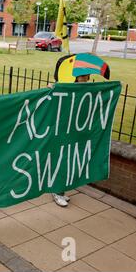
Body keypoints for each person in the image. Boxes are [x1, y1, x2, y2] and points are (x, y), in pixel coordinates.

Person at [49, 53, 110, 207]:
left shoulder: (83, 90)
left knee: (69, 161)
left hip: (75, 132)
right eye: (85, 76)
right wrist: (52, 89)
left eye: (88, 76)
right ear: (74, 76)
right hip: (61, 132)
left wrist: (112, 89)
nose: (88, 79)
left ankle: (59, 189)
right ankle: (58, 192)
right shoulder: (61, 89)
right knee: (62, 161)